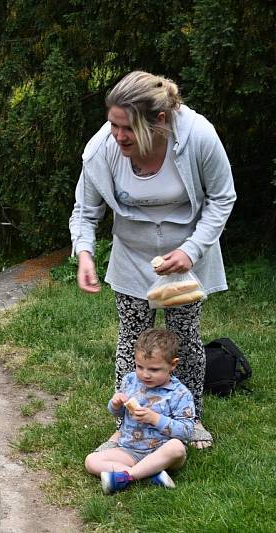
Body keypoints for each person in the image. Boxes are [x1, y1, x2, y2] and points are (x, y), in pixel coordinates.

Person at [69, 71, 236, 449]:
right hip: (132, 254)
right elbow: (85, 209)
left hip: (186, 256)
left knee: (184, 337)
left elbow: (222, 197)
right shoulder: (101, 150)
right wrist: (85, 253)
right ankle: (127, 419)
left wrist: (191, 250)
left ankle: (189, 420)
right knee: (132, 339)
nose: (118, 135)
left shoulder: (198, 135)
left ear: (160, 120)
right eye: (113, 124)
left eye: (127, 127)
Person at [85, 328, 194, 494]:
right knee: (91, 461)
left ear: (173, 365)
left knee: (177, 448)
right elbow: (120, 414)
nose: (145, 374)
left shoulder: (180, 394)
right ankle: (150, 474)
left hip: (162, 452)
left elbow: (186, 431)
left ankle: (128, 476)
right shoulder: (130, 381)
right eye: (140, 366)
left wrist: (155, 419)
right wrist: (115, 405)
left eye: (154, 369)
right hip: (130, 449)